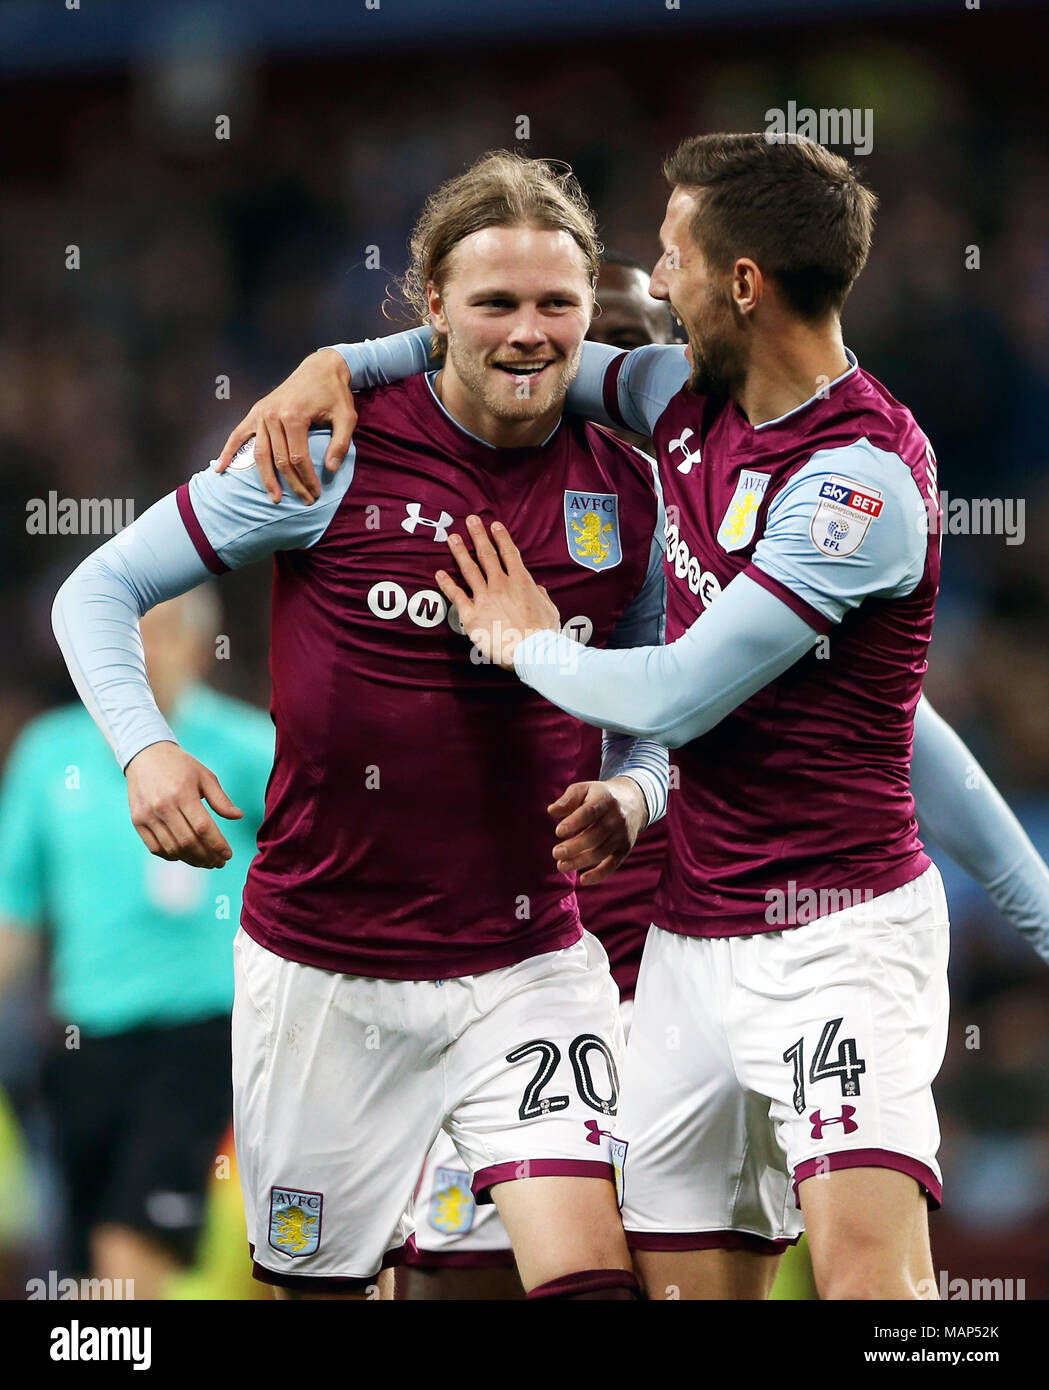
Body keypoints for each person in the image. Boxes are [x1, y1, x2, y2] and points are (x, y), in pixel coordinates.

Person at [220, 133, 1049, 1301]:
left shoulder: (851, 484)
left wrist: (526, 641)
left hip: (831, 933)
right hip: (674, 951)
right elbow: (486, 347)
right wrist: (339, 363)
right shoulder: (675, 405)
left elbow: (686, 696)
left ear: (739, 283)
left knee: (867, 1282)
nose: (647, 289)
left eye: (668, 261)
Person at [51, 153, 673, 1301]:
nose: (527, 332)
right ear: (432, 304)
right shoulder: (325, 448)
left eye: (556, 304)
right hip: (323, 966)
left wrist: (634, 791)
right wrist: (144, 746)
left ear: (590, 310)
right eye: (494, 302)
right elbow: (97, 590)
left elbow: (657, 707)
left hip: (530, 961)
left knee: (588, 1275)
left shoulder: (628, 492)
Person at [402, 252, 677, 1300]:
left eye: (632, 351)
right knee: (458, 1270)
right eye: (589, 349)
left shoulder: (728, 528)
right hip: (500, 967)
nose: (605, 376)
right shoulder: (466, 517)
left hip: (678, 977)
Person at [0, 591, 273, 1298]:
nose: (144, 653)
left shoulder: (251, 748)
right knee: (92, 1263)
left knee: (131, 1249)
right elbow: (15, 909)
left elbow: (318, 872)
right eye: (125, 635)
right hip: (82, 1039)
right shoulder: (49, 754)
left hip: (202, 1030)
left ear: (200, 648)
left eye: (165, 633)